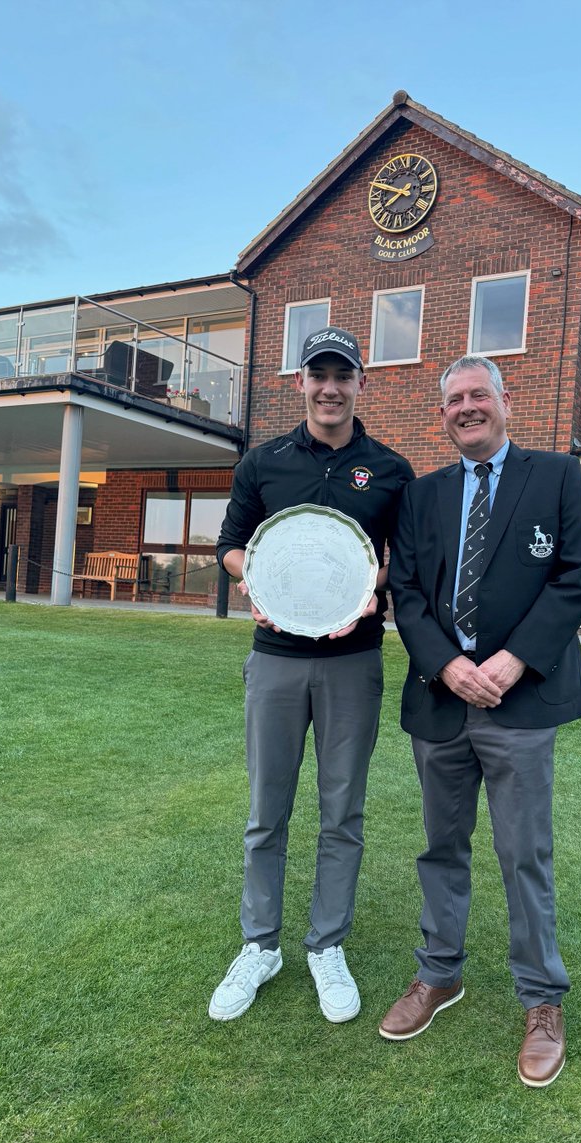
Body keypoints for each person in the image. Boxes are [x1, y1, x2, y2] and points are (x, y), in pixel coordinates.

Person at [379, 355, 581, 1087]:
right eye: (454, 400)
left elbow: (574, 580)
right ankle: (438, 974)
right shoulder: (422, 495)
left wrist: (513, 661)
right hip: (441, 700)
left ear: (506, 401)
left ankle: (542, 1001)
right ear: (442, 414)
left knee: (523, 852)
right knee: (442, 848)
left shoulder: (556, 476)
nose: (467, 407)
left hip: (519, 700)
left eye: (479, 395)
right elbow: (408, 591)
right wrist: (446, 665)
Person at [209, 326, 414, 1025]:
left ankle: (327, 945)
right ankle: (260, 945)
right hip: (275, 659)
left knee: (342, 812)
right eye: (318, 375)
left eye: (342, 375)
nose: (330, 388)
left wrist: (368, 590)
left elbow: (403, 560)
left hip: (352, 661)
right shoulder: (262, 462)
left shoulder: (389, 469)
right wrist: (255, 580)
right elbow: (230, 545)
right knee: (266, 812)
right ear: (299, 382)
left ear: (361, 383)